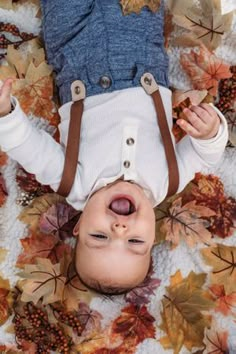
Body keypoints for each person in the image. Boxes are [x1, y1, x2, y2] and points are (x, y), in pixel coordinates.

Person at [0, 0, 228, 295]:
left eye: (99, 236)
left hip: (75, 44)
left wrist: (6, 115)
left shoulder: (74, 183)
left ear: (80, 226)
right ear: (152, 236)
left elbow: (28, 147)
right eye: (135, 242)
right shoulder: (167, 181)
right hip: (140, 45)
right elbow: (205, 155)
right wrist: (210, 132)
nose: (119, 230)